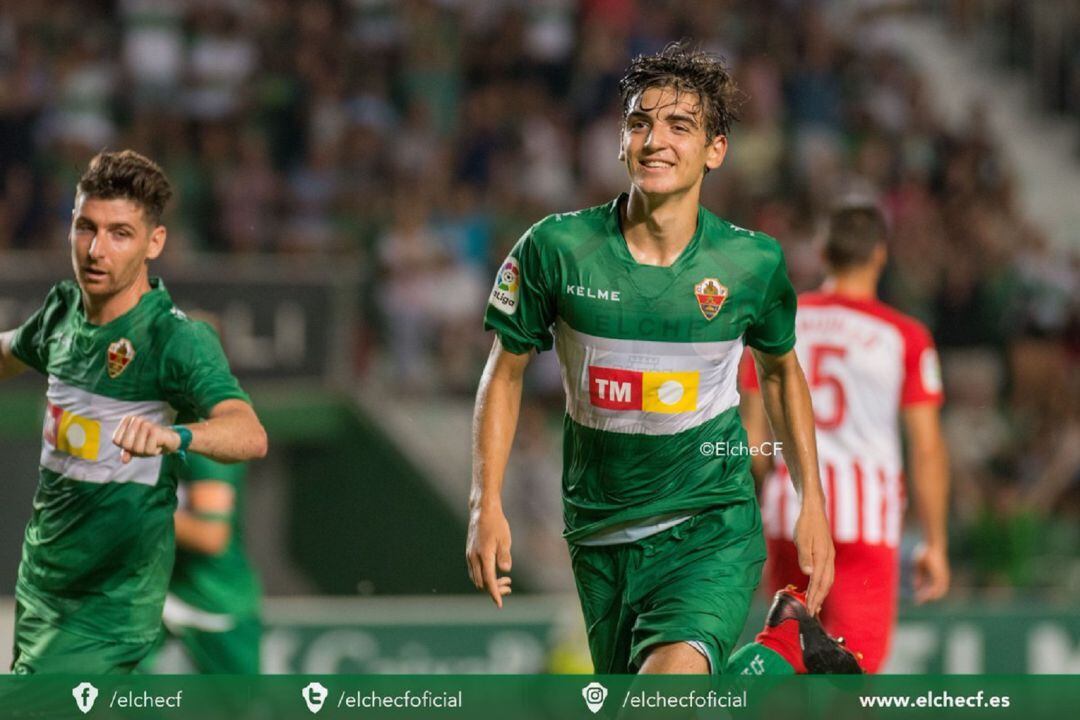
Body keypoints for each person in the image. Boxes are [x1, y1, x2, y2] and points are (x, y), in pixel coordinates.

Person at [466, 43, 858, 675]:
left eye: (681, 126)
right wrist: (486, 502)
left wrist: (812, 500)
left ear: (716, 150)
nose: (656, 140)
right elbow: (504, 372)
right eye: (641, 123)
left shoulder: (751, 263)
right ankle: (782, 658)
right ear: (620, 142)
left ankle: (780, 656)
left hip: (710, 523)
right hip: (599, 534)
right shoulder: (555, 249)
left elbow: (782, 375)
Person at [0, 149, 268, 674]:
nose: (96, 250)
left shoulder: (175, 339)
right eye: (85, 227)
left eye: (120, 233)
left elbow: (249, 433)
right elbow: (8, 351)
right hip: (43, 588)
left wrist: (177, 438)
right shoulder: (61, 312)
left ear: (154, 243)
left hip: (110, 605)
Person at [740, 204, 951, 672]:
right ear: (880, 255)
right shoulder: (905, 336)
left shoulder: (779, 322)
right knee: (849, 682)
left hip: (789, 513)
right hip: (865, 522)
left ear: (821, 252)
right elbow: (927, 447)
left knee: (786, 661)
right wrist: (934, 541)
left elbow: (754, 442)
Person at [155, 451, 262, 674]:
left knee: (243, 707)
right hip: (154, 590)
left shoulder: (204, 445)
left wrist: (136, 511)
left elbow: (210, 536)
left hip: (213, 597)